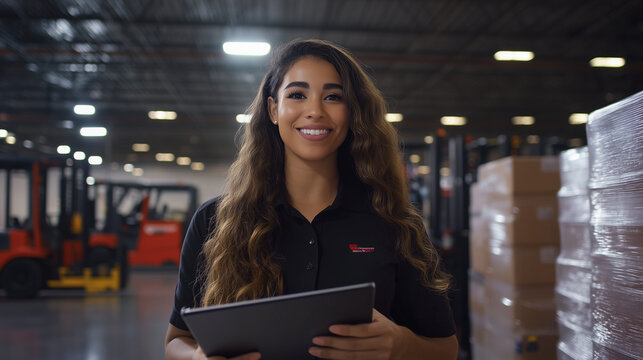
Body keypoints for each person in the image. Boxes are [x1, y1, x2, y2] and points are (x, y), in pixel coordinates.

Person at [165, 39, 458, 360]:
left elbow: (445, 348)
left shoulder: (395, 223)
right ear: (273, 110)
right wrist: (195, 357)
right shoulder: (215, 221)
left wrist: (401, 344)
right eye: (297, 95)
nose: (315, 111)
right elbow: (175, 341)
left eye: (333, 97)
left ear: (352, 112)